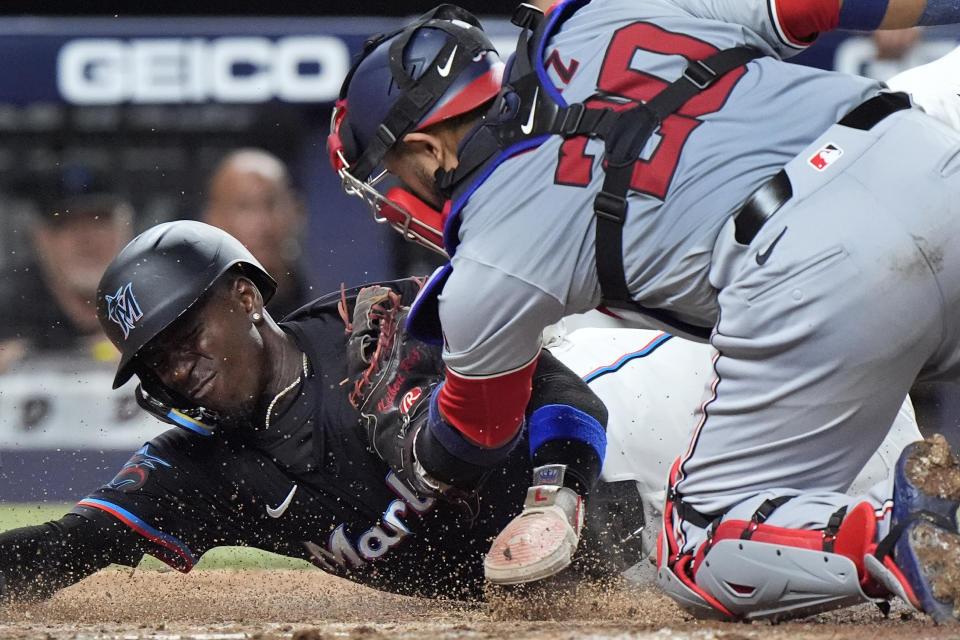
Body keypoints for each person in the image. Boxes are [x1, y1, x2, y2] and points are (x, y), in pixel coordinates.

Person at [329, 0, 960, 622]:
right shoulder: (594, 15)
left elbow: (475, 438)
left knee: (695, 547)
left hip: (814, 271)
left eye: (393, 166)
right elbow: (813, 4)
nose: (395, 188)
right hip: (924, 154)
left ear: (429, 147)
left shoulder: (489, 264)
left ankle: (892, 531)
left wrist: (409, 432)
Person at [0, 220, 920, 605]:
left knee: (871, 451)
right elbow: (66, 548)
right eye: (156, 358)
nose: (181, 363)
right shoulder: (200, 466)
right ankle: (910, 538)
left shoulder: (380, 330)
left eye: (185, 329)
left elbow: (560, 394)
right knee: (736, 584)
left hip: (636, 408)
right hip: (598, 568)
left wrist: (552, 497)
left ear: (244, 295)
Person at [0, 166, 135, 371]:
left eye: (100, 222)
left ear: (125, 229)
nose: (86, 240)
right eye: (66, 225)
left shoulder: (161, 301)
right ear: (40, 238)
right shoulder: (9, 308)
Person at [202, 148, 313, 318]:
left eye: (271, 203)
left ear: (297, 211)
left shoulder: (333, 312)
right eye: (244, 206)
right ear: (213, 219)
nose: (262, 223)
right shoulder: (192, 326)